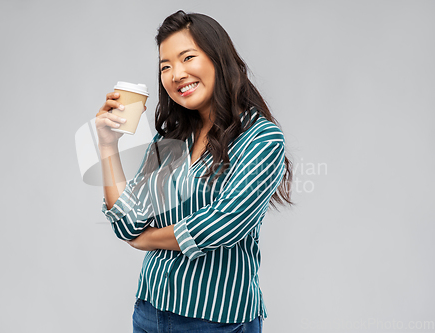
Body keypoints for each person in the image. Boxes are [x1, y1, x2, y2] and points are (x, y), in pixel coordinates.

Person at [96, 10, 293, 333]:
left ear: (218, 58)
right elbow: (128, 221)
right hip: (150, 311)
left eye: (188, 57)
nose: (176, 73)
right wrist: (107, 146)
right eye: (166, 66)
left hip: (215, 320)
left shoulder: (261, 138)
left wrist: (146, 240)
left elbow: (223, 225)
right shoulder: (171, 137)